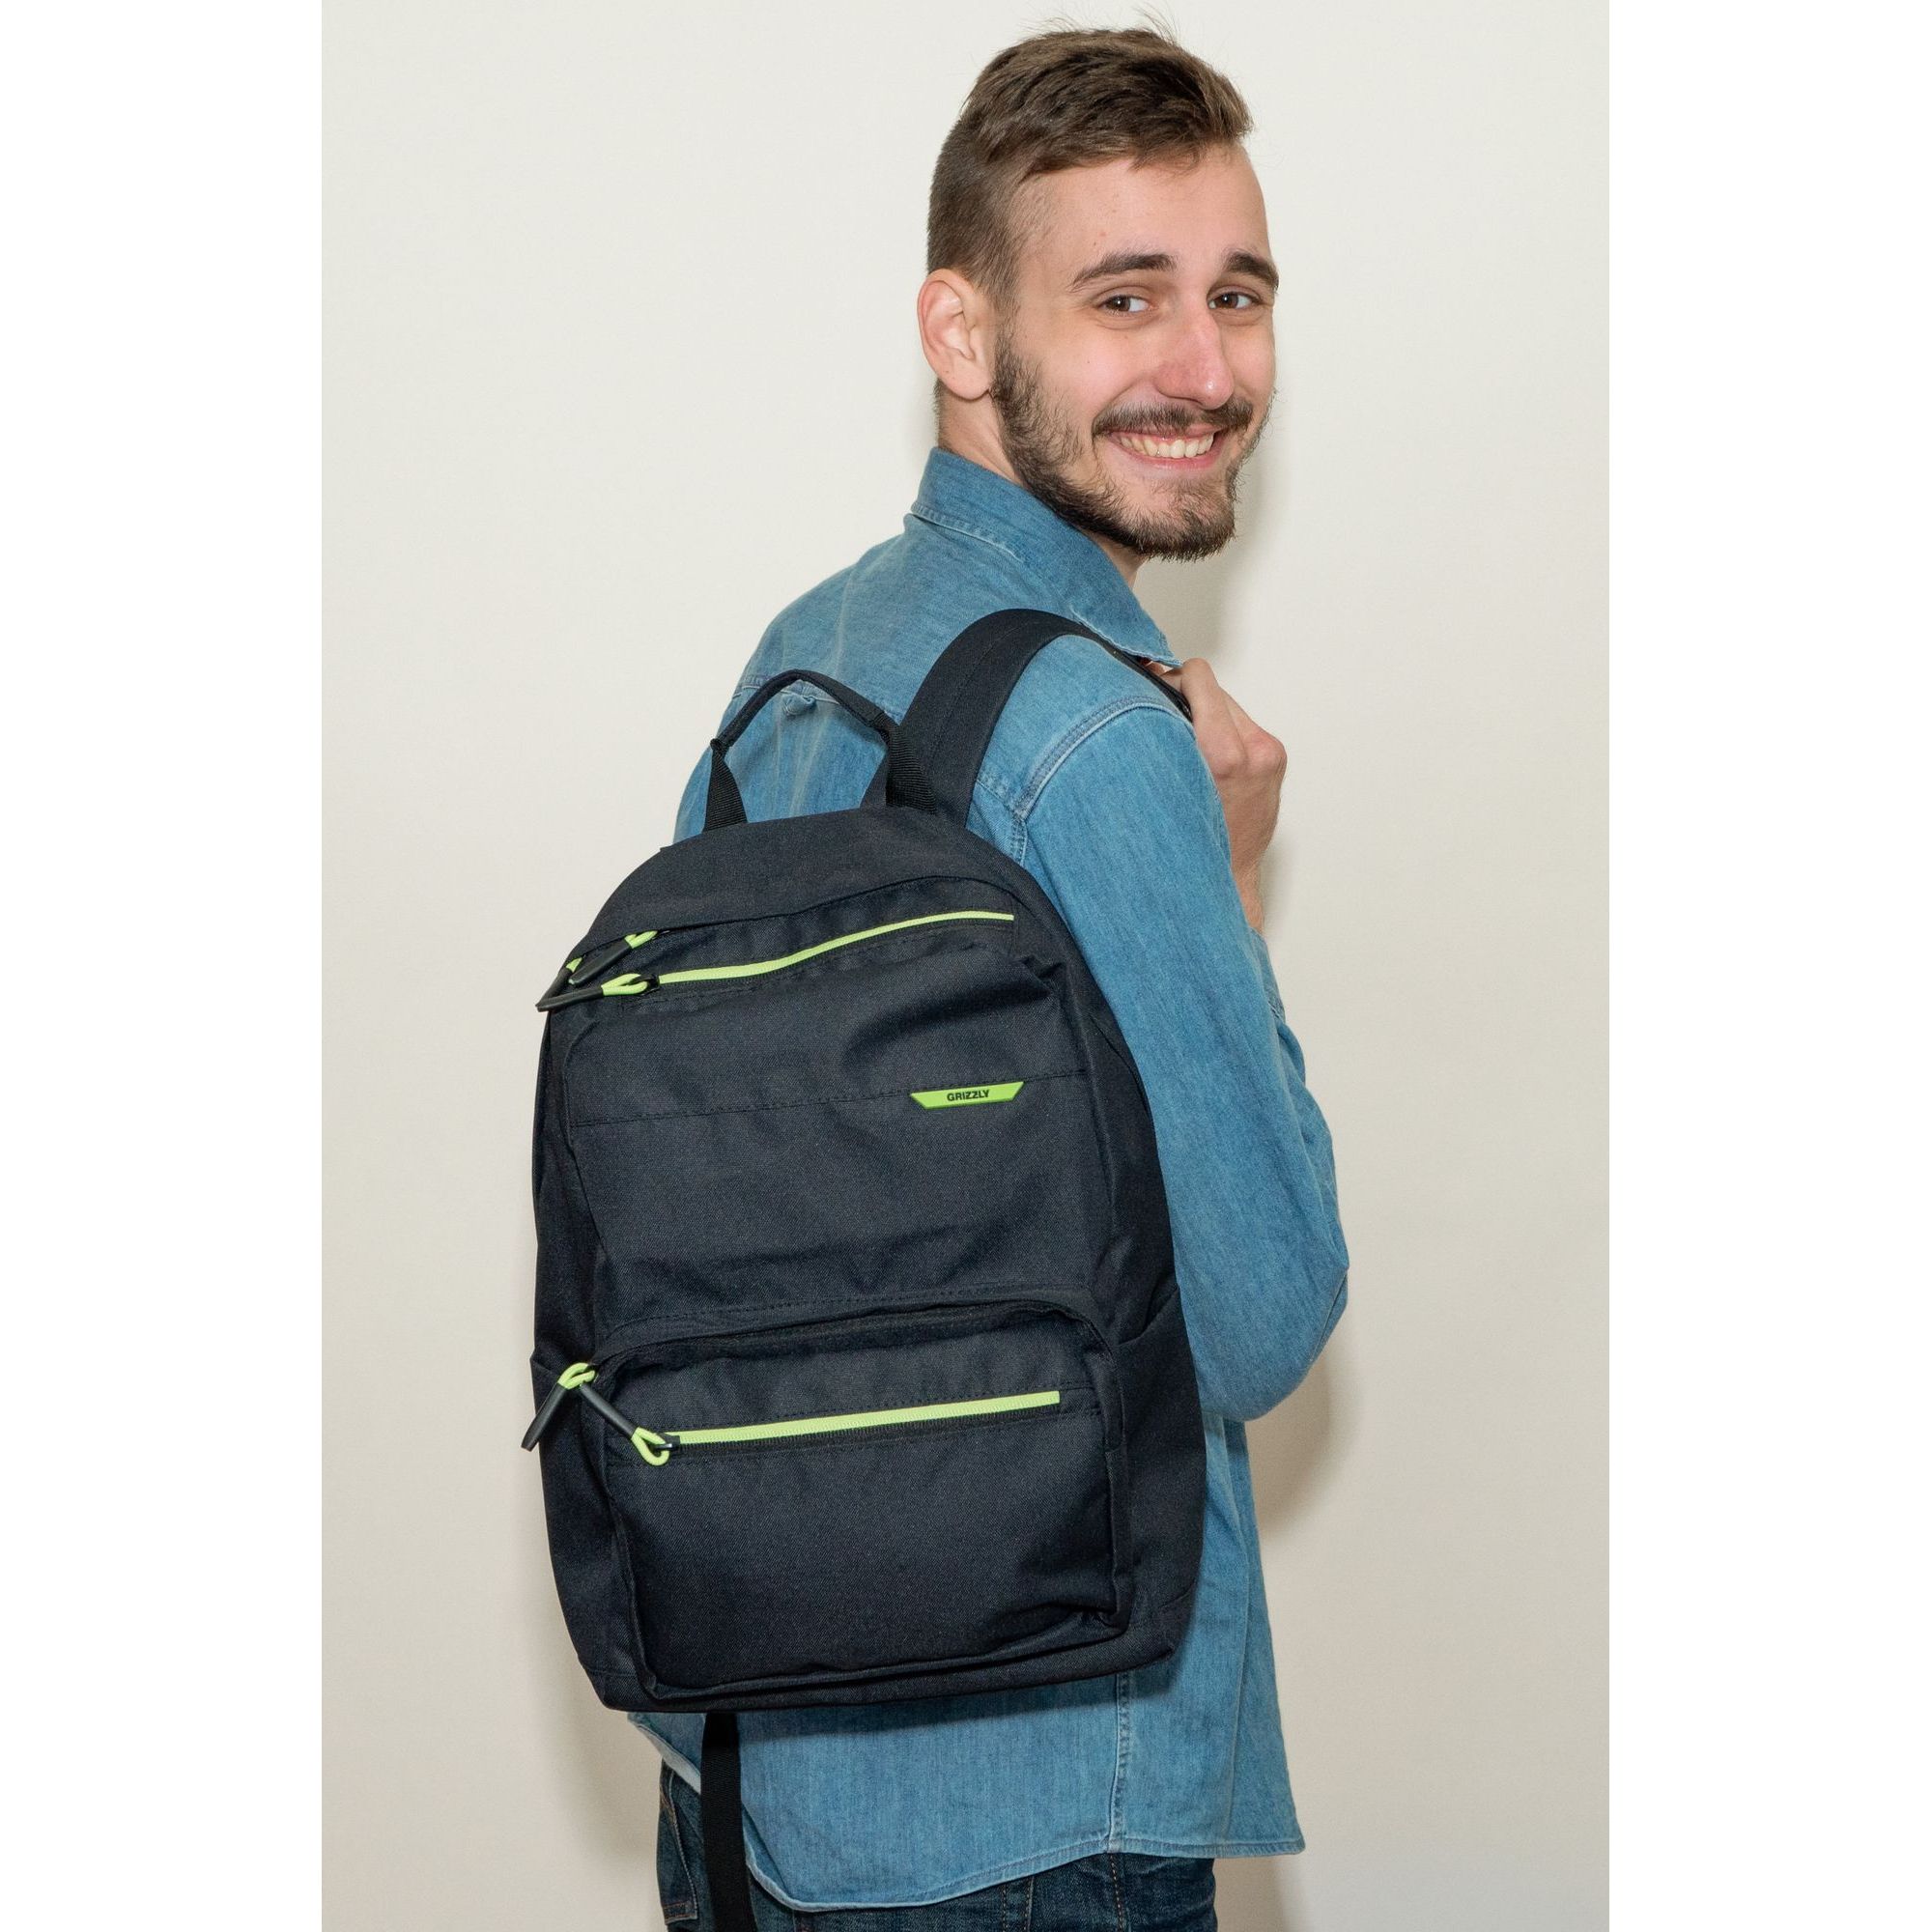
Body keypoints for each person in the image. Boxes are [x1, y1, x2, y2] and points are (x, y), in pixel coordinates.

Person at [632, 25, 1349, 1930]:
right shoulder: (1096, 739)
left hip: (752, 1761)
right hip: (1035, 1801)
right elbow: (1257, 1317)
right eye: (1125, 299)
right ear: (960, 332)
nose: (1205, 368)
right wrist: (1230, 889)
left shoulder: (802, 659)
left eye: (1237, 296)